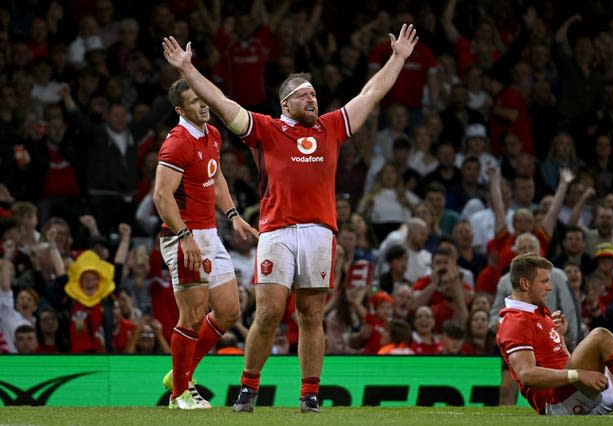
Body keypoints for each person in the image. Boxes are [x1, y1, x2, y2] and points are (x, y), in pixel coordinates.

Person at [162, 22, 418, 413]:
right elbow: (222, 100)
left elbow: (371, 93)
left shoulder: (333, 126)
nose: (312, 99)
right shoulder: (265, 129)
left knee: (312, 314)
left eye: (314, 94)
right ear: (286, 104)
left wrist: (397, 58)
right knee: (267, 312)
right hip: (278, 231)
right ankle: (248, 389)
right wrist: (187, 70)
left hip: (320, 233)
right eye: (303, 95)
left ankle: (310, 394)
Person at [152, 79, 258, 410]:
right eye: (195, 101)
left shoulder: (212, 135)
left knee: (228, 310)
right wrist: (185, 238)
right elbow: (161, 195)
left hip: (210, 234)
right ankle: (179, 394)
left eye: (204, 99)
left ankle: (180, 374)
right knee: (193, 315)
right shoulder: (176, 143)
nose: (204, 105)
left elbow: (217, 177)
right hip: (183, 237)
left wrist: (233, 215)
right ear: (181, 109)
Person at [496, 252, 613, 415]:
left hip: (573, 394)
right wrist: (578, 375)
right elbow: (526, 374)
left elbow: (561, 361)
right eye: (544, 282)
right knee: (600, 336)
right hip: (555, 402)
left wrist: (561, 338)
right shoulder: (515, 322)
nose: (549, 287)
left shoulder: (539, 310)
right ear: (525, 284)